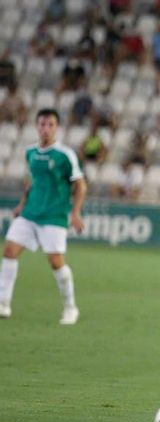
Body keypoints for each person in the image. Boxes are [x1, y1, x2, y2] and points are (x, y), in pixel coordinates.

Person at [0, 108, 87, 324]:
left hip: (54, 215)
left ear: (57, 128)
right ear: (36, 126)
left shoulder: (65, 155)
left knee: (55, 262)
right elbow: (31, 181)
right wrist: (22, 204)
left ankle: (70, 308)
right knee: (10, 251)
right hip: (30, 213)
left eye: (50, 125)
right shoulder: (30, 152)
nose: (46, 128)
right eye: (42, 124)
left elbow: (80, 186)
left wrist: (75, 213)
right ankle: (3, 302)